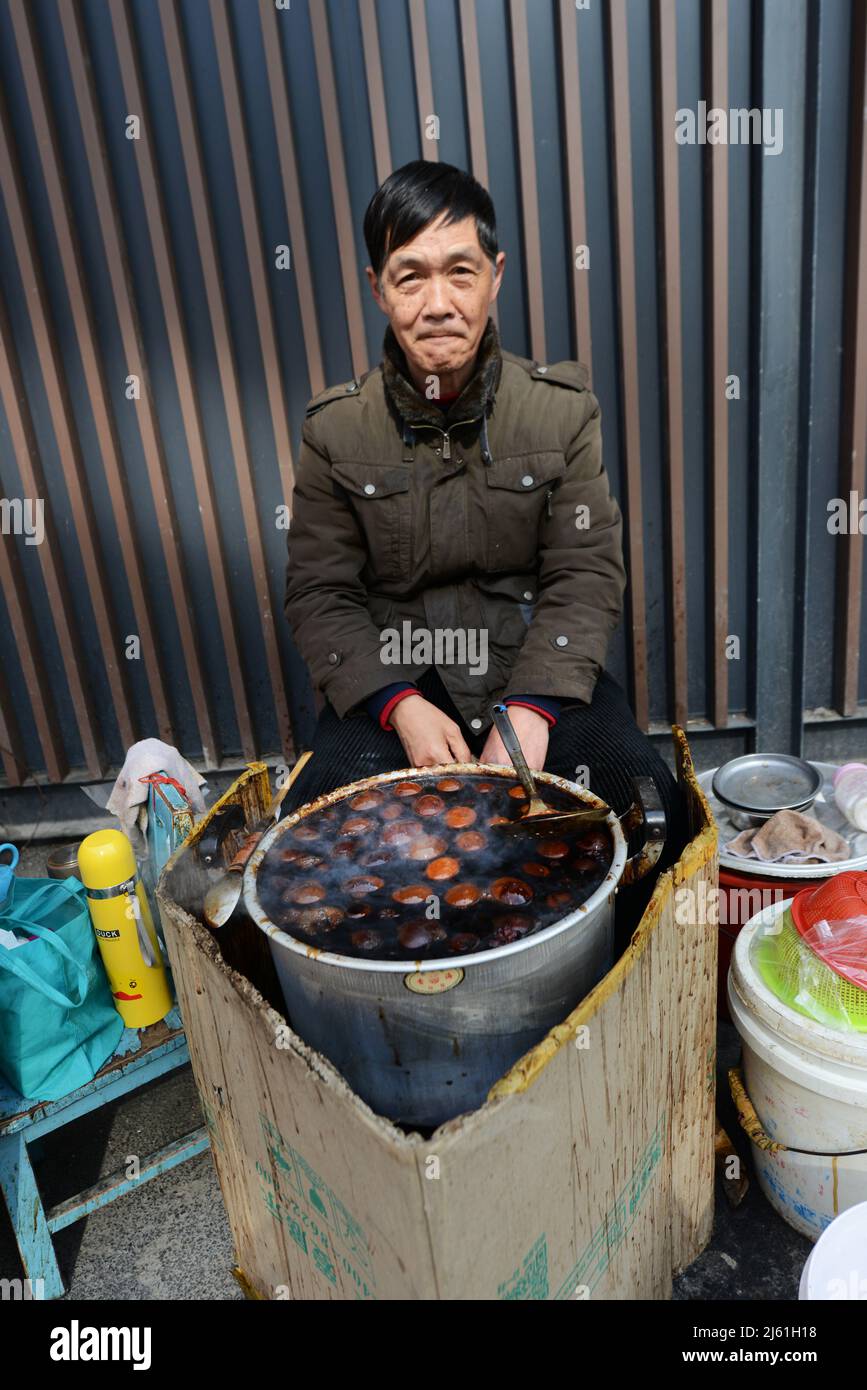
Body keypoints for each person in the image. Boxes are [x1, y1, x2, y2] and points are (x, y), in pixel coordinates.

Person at [283, 160, 689, 929]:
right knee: (318, 825)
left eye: (459, 271)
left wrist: (532, 708)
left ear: (493, 276)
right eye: (410, 278)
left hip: (536, 675)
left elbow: (586, 571)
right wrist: (397, 704)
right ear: (378, 288)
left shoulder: (559, 414)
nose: (438, 303)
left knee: (644, 801)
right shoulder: (334, 430)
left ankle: (610, 991)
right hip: (396, 685)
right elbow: (318, 591)